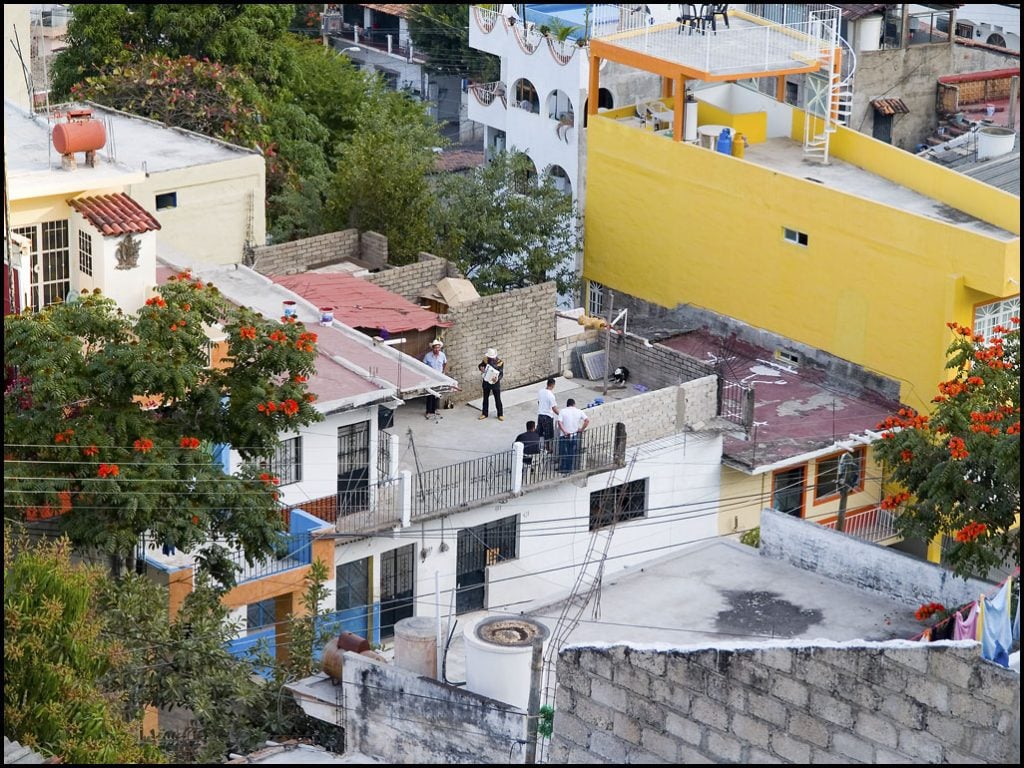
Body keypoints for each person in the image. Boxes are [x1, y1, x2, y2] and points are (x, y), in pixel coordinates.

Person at [557, 398, 589, 473]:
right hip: (574, 435)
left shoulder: (563, 411)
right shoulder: (579, 411)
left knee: (563, 452)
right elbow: (587, 420)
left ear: (567, 404)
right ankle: (569, 469)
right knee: (571, 453)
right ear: (574, 404)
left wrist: (564, 431)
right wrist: (581, 429)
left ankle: (562, 469)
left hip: (564, 435)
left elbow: (559, 422)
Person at [422, 340, 448, 418]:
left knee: (437, 394)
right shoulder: (427, 356)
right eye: (435, 348)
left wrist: (443, 372)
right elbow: (423, 365)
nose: (436, 349)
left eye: (438, 348)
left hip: (439, 378)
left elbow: (445, 363)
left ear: (440, 348)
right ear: (432, 348)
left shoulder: (442, 355)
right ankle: (428, 411)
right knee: (430, 394)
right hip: (430, 378)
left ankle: (434, 409)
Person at [477, 347, 504, 421]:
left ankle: (500, 414)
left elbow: (501, 373)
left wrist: (497, 379)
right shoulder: (485, 360)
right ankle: (484, 413)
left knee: (497, 399)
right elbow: (480, 365)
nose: (490, 358)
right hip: (486, 382)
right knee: (485, 398)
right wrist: (481, 368)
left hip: (495, 383)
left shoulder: (500, 362)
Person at [537, 377, 560, 452]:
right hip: (547, 416)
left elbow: (539, 402)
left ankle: (540, 447)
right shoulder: (551, 395)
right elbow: (554, 408)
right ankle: (548, 448)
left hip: (540, 414)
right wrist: (561, 414)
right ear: (553, 385)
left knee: (540, 432)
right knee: (548, 434)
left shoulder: (541, 391)